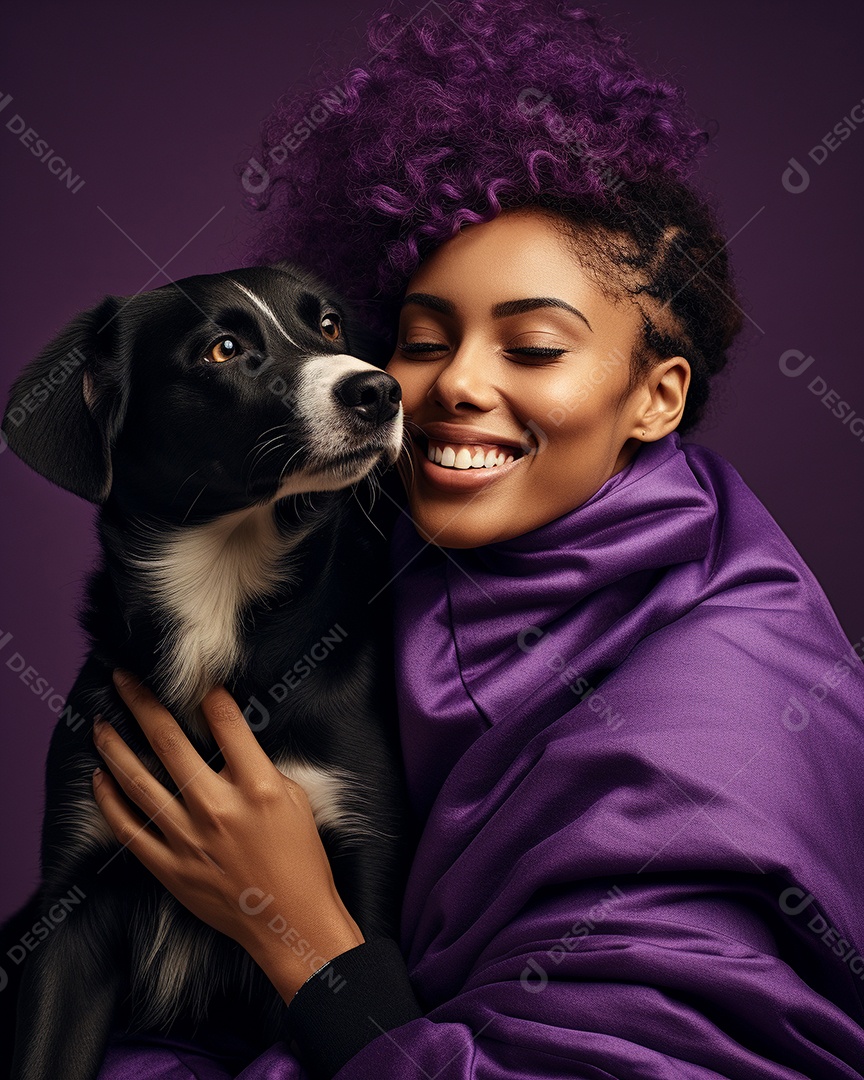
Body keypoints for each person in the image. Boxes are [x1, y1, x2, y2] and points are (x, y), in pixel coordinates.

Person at [88, 1, 864, 1077]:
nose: (456, 383)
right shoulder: (372, 561)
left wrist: (293, 924)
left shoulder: (722, 706)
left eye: (536, 347)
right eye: (421, 339)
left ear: (657, 396)